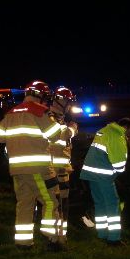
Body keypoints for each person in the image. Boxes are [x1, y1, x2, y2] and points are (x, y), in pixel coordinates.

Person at [0, 80, 64, 251]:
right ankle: (52, 239)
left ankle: (23, 243)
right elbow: (55, 135)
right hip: (39, 169)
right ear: (41, 96)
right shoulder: (39, 112)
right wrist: (66, 129)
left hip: (17, 170)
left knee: (24, 204)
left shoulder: (11, 113)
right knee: (50, 202)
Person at [79, 117, 130, 245]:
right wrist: (121, 171)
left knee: (100, 203)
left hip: (91, 174)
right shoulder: (117, 136)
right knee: (113, 204)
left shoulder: (105, 130)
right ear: (127, 128)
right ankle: (114, 238)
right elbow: (119, 163)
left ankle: (102, 233)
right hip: (103, 175)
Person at [47, 86, 79, 240]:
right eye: (68, 101)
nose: (69, 105)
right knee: (53, 204)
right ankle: (53, 235)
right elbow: (58, 136)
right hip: (52, 169)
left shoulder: (60, 119)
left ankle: (62, 235)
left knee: (63, 203)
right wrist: (72, 129)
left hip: (63, 170)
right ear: (60, 100)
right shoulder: (49, 116)